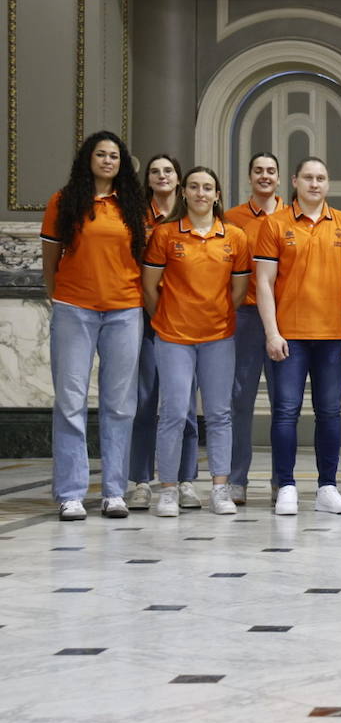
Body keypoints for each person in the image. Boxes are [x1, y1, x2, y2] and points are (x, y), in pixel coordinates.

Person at [42, 131, 148, 520]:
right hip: (75, 309)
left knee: (119, 404)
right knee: (70, 402)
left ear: (122, 164)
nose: (107, 161)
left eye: (114, 156)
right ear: (88, 159)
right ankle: (70, 493)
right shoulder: (64, 201)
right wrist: (60, 297)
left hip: (124, 310)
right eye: (101, 154)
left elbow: (142, 258)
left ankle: (114, 492)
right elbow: (49, 258)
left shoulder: (133, 206)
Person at [253, 156, 341, 516]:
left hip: (334, 336)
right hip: (290, 336)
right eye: (308, 178)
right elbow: (263, 283)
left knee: (329, 413)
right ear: (295, 181)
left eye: (321, 178)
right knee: (285, 412)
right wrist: (272, 332)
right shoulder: (274, 224)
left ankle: (327, 488)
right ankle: (286, 486)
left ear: (328, 184)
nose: (315, 184)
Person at [141, 166, 250, 517]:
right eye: (194, 187)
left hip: (218, 336)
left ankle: (220, 489)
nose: (201, 193)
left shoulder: (234, 237)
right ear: (184, 193)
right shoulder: (165, 234)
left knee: (219, 414)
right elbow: (150, 287)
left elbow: (238, 290)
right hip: (173, 337)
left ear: (218, 195)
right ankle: (169, 490)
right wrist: (170, 316)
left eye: (208, 187)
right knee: (173, 413)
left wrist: (214, 314)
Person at [127, 154, 200, 511]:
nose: (161, 176)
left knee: (184, 403)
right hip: (147, 320)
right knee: (145, 400)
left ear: (180, 179)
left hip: (186, 323)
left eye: (168, 170)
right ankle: (141, 480)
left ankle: (186, 479)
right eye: (155, 171)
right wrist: (158, 317)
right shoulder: (135, 215)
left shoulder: (192, 218)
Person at [224, 152, 283, 505]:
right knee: (239, 401)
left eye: (271, 171)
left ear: (279, 178)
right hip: (245, 319)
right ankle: (236, 480)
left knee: (284, 403)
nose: (265, 176)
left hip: (281, 319)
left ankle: (281, 480)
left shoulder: (291, 216)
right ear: (250, 177)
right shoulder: (232, 218)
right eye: (258, 170)